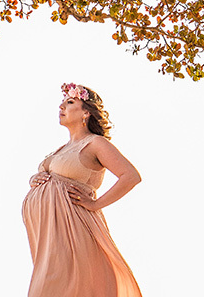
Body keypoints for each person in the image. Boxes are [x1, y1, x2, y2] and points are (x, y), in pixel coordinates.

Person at [22, 83, 143, 297]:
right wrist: (34, 179)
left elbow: (130, 176)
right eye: (62, 102)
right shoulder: (62, 149)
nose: (61, 106)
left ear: (86, 112)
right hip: (49, 241)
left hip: (74, 233)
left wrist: (95, 204)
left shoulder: (95, 144)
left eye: (70, 102)